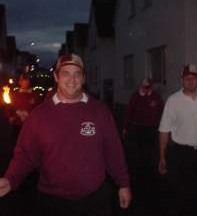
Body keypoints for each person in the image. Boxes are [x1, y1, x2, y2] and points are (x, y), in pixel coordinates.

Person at [0, 53, 131, 216]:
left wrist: (123, 183)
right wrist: (11, 178)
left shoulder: (100, 111)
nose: (72, 80)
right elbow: (26, 155)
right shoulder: (39, 115)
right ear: (56, 76)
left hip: (95, 201)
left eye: (77, 74)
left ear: (84, 78)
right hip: (52, 202)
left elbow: (113, 151)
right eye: (65, 73)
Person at [158, 64, 197, 216]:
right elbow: (163, 130)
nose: (190, 80)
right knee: (185, 194)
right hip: (182, 154)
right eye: (186, 78)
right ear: (181, 80)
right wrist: (162, 157)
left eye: (193, 77)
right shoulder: (173, 101)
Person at [123, 77, 164, 204]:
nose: (146, 89)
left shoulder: (156, 97)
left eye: (148, 87)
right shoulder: (135, 96)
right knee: (140, 153)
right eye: (144, 87)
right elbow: (129, 111)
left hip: (152, 129)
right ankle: (141, 174)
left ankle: (150, 174)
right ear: (142, 86)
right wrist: (125, 127)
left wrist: (162, 127)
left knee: (151, 152)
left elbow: (162, 112)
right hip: (139, 129)